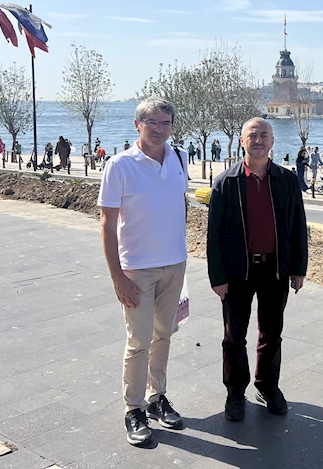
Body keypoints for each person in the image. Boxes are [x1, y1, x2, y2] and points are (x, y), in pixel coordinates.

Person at [97, 97, 189, 446]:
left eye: (165, 123)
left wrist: (179, 248)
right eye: (151, 122)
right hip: (136, 269)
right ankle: (133, 408)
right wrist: (117, 276)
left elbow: (179, 203)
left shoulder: (180, 157)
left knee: (163, 335)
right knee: (138, 341)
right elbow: (107, 224)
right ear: (137, 125)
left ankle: (156, 397)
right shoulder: (120, 165)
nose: (159, 129)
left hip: (174, 264)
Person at [206, 118, 308, 422]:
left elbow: (298, 226)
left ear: (272, 141)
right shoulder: (226, 182)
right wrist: (217, 277)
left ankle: (267, 386)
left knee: (272, 333)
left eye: (264, 135)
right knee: (233, 336)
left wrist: (298, 269)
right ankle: (235, 392)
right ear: (242, 140)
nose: (259, 140)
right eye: (253, 135)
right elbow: (214, 235)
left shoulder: (287, 180)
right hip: (237, 272)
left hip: (275, 269)